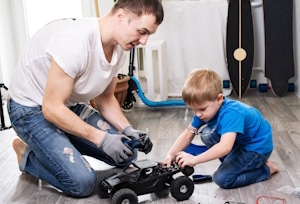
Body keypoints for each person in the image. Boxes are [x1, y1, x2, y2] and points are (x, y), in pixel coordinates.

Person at [8, 0, 164, 197]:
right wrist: (101, 138)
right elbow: (51, 108)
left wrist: (128, 129)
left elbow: (105, 98)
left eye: (148, 34)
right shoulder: (74, 41)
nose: (144, 41)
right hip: (30, 110)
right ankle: (27, 155)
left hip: (67, 106)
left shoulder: (118, 50)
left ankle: (58, 148)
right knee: (82, 182)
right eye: (142, 31)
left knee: (127, 152)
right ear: (121, 16)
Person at [163, 68, 278, 189]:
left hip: (256, 148)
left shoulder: (231, 113)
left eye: (202, 109)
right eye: (194, 109)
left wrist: (195, 159)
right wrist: (171, 154)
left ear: (219, 99)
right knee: (207, 134)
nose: (198, 114)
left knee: (222, 179)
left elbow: (225, 147)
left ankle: (266, 169)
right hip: (240, 141)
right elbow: (188, 134)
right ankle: (234, 166)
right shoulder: (205, 109)